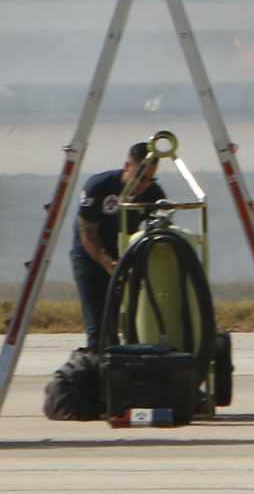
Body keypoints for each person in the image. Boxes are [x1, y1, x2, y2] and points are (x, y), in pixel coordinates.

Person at [71, 141, 164, 351]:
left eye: (150, 179)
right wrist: (107, 262)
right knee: (100, 325)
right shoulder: (98, 187)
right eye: (140, 177)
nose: (143, 185)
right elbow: (87, 233)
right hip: (91, 256)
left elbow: (158, 233)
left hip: (125, 256)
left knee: (133, 321)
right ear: (127, 167)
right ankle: (99, 367)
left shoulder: (153, 194)